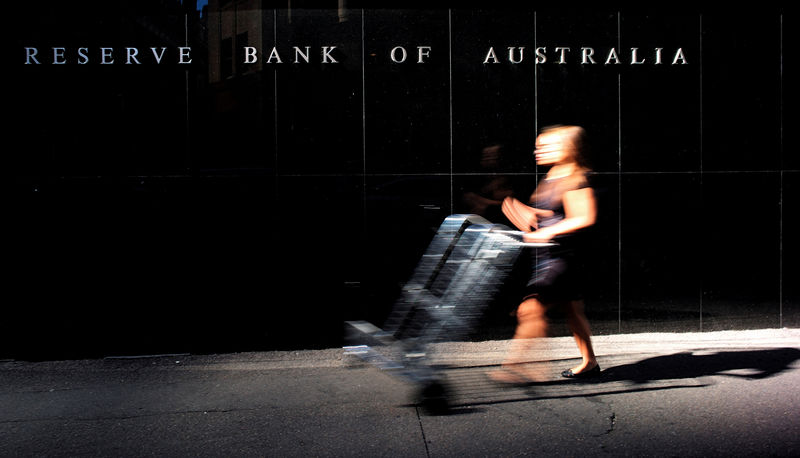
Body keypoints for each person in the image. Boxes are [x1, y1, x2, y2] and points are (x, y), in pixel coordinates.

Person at [489, 125, 600, 383]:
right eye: (538, 145)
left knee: (530, 309)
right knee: (573, 310)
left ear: (567, 148)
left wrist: (546, 233)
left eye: (546, 146)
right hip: (549, 256)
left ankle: (518, 367)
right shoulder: (554, 174)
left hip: (562, 259)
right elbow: (555, 213)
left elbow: (584, 217)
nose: (538, 150)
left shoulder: (576, 178)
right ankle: (590, 363)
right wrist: (528, 212)